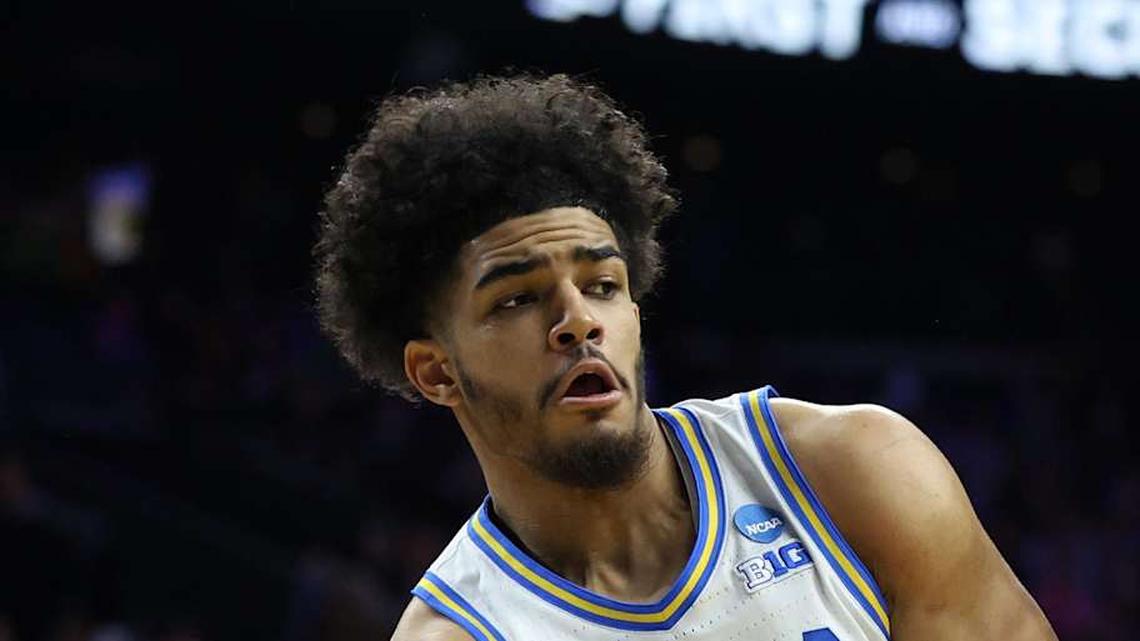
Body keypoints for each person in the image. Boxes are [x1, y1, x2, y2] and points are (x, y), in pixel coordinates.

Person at [313, 73, 1057, 641]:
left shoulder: (852, 468)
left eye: (602, 284)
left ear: (634, 309)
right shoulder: (466, 629)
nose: (577, 322)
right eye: (516, 299)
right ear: (437, 370)